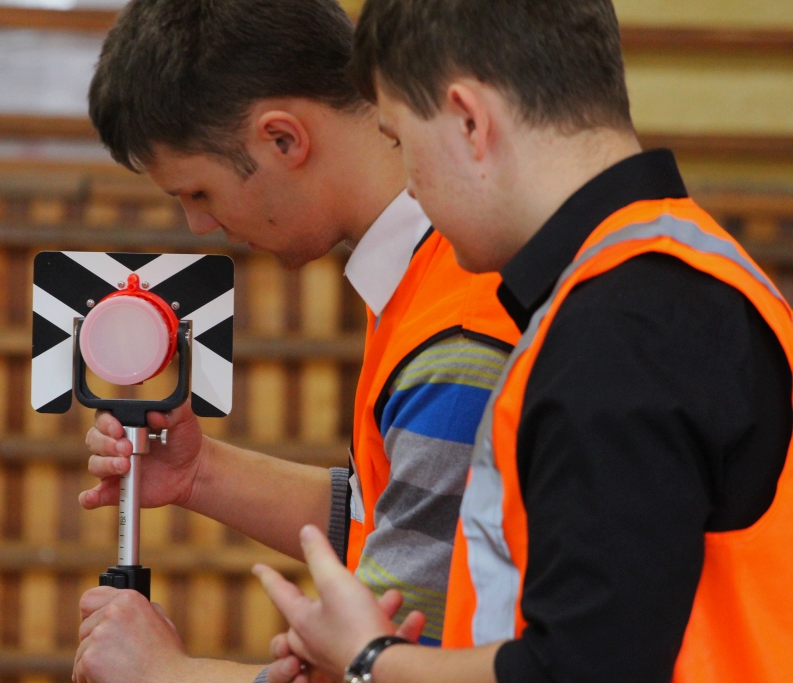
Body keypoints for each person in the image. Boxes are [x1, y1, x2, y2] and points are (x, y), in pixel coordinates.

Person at [253, 0, 793, 682]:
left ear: (470, 121)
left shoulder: (620, 330)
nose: (409, 180)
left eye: (400, 142)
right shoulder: (669, 269)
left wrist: (370, 659)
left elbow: (580, 668)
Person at [72, 1, 519, 682]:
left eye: (199, 191)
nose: (198, 225)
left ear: (282, 138)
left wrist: (167, 672)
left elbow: (388, 671)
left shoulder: (455, 327)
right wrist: (202, 473)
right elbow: (407, 514)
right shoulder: (421, 279)